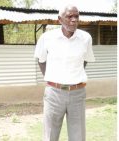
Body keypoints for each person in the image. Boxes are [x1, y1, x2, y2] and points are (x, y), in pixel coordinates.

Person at [34, 4, 95, 141]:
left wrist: (73, 77)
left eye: (76, 16)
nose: (74, 20)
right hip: (54, 94)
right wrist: (53, 80)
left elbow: (84, 61)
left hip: (77, 93)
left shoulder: (86, 38)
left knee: (78, 136)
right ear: (59, 19)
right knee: (50, 136)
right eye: (69, 16)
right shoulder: (47, 38)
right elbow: (41, 60)